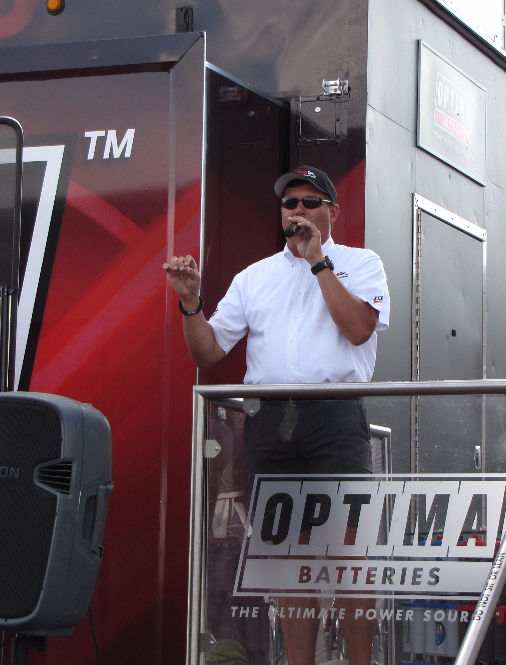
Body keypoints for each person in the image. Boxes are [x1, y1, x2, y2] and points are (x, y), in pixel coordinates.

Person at [163, 166, 389, 665]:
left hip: (335, 418)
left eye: (310, 202)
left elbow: (358, 330)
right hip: (270, 422)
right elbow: (208, 352)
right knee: (291, 560)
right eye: (290, 204)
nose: (298, 211)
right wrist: (190, 302)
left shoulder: (361, 263)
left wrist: (318, 261)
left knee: (351, 557)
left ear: (333, 212)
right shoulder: (254, 276)